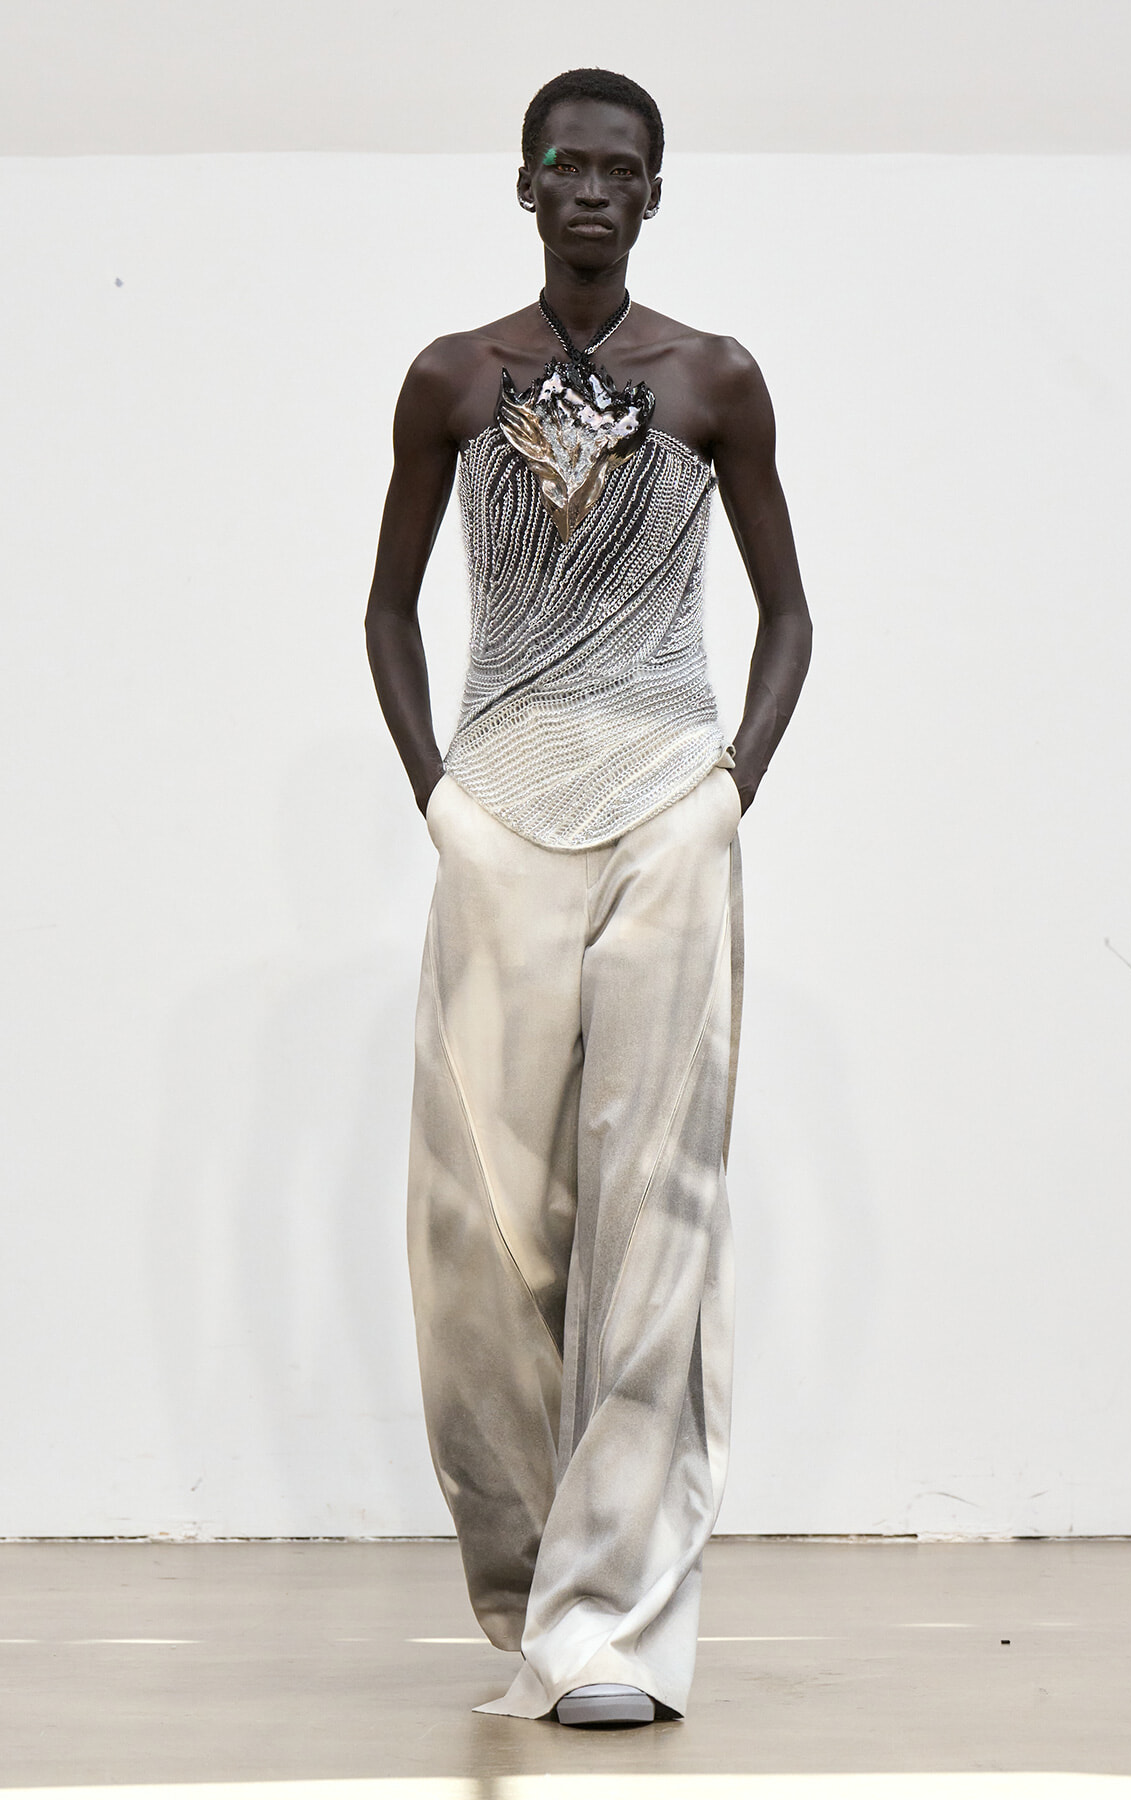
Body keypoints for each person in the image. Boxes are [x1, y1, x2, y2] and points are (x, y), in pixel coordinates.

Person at [365, 67, 812, 1726]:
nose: (595, 191)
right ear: (528, 181)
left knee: (654, 1207)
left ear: (656, 191)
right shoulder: (451, 380)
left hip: (664, 806)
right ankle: (526, 1577)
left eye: (626, 170)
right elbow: (388, 607)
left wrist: (729, 783)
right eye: (569, 164)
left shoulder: (712, 380)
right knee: (480, 1228)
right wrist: (439, 792)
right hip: (501, 800)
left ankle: (611, 1623)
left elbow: (788, 612)